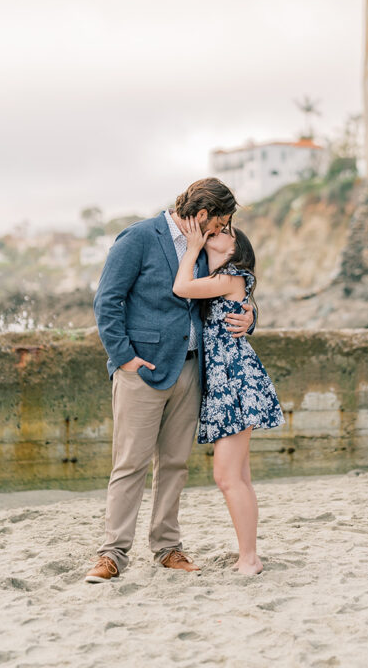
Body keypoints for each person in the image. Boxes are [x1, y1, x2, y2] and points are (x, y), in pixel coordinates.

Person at [84, 178, 255, 583]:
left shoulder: (207, 250)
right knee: (130, 464)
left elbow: (232, 289)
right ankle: (112, 553)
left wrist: (250, 318)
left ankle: (167, 547)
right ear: (201, 216)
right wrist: (124, 358)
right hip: (143, 369)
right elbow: (107, 300)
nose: (222, 231)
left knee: (175, 464)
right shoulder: (139, 237)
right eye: (221, 222)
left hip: (193, 368)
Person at [172, 218, 284, 575]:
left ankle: (250, 557)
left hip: (235, 379)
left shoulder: (231, 276)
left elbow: (181, 287)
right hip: (226, 380)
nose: (214, 234)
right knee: (239, 477)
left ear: (234, 249)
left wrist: (190, 249)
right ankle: (248, 554)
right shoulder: (222, 279)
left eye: (223, 233)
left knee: (227, 477)